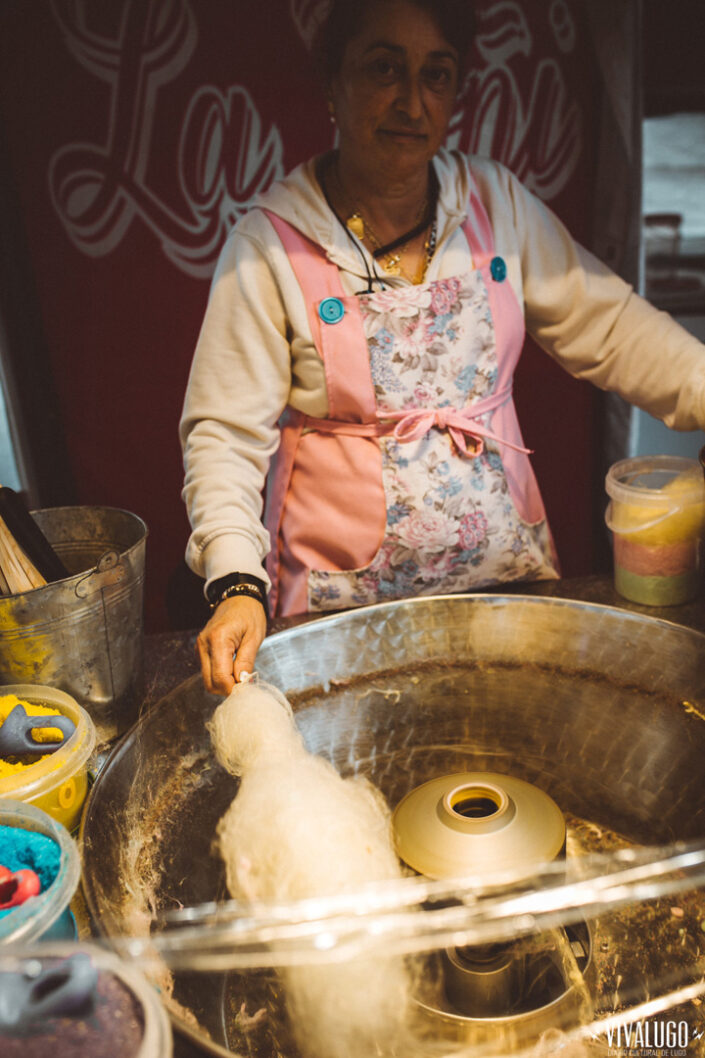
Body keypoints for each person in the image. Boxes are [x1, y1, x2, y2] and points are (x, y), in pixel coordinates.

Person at [180, 0, 705, 695]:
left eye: (436, 74)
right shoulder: (271, 243)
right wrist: (234, 581)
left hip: (506, 593)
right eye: (382, 68)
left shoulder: (494, 206)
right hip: (342, 612)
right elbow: (222, 435)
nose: (410, 100)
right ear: (332, 84)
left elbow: (612, 329)